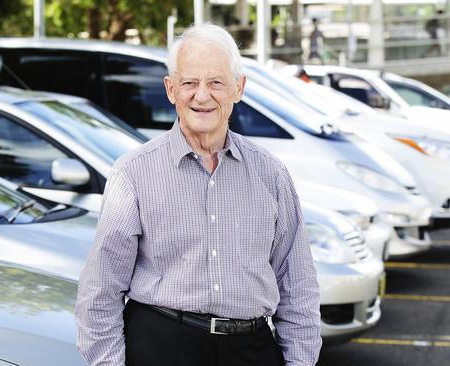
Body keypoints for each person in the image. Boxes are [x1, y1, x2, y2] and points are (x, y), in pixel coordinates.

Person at [75, 23, 322, 366]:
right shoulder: (133, 173)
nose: (202, 96)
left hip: (251, 351)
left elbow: (298, 291)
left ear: (239, 88)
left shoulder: (272, 174)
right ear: (171, 89)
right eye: (190, 83)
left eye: (216, 82)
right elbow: (100, 293)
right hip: (161, 348)